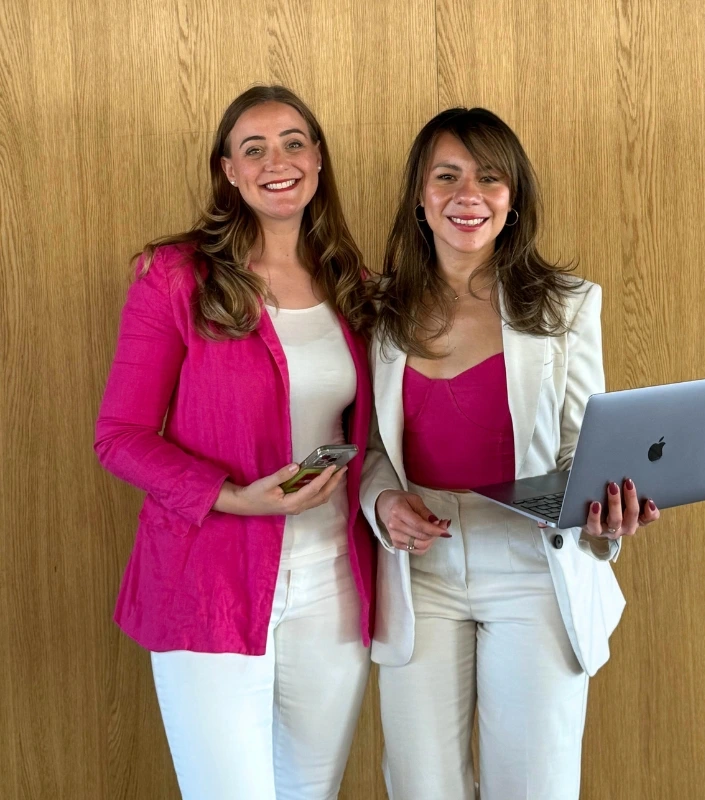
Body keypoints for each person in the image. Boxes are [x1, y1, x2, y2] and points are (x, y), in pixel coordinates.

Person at [360, 107, 661, 800]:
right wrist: (383, 501)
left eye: (490, 178)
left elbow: (583, 449)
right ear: (419, 197)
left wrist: (605, 515)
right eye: (448, 176)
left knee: (535, 786)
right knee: (420, 786)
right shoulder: (379, 309)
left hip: (533, 562)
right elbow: (373, 444)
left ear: (513, 197)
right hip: (420, 571)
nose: (469, 195)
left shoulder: (568, 307)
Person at [94, 85, 375, 800]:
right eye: (253, 149)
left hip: (333, 586)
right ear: (227, 170)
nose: (276, 162)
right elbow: (119, 437)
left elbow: (375, 437)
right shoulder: (174, 277)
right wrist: (232, 498)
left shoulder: (355, 285)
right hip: (206, 580)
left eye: (293, 143)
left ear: (318, 159)